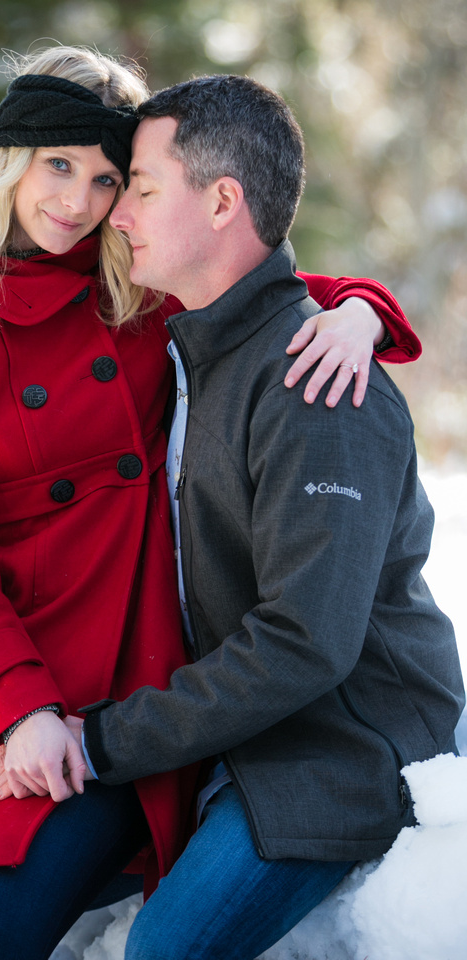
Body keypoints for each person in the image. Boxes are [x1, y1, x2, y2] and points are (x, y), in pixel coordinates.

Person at [0, 45, 420, 960]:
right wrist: (16, 706)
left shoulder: (135, 293)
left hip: (113, 675)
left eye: (112, 178)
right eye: (58, 164)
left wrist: (361, 311)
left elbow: (261, 288)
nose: (79, 201)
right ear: (10, 159)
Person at [46, 76, 463, 958]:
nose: (118, 215)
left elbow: (306, 642)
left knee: (158, 951)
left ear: (224, 199)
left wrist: (110, 738)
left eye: (144, 189)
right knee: (4, 896)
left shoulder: (317, 386)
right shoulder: (200, 347)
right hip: (236, 737)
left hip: (342, 756)